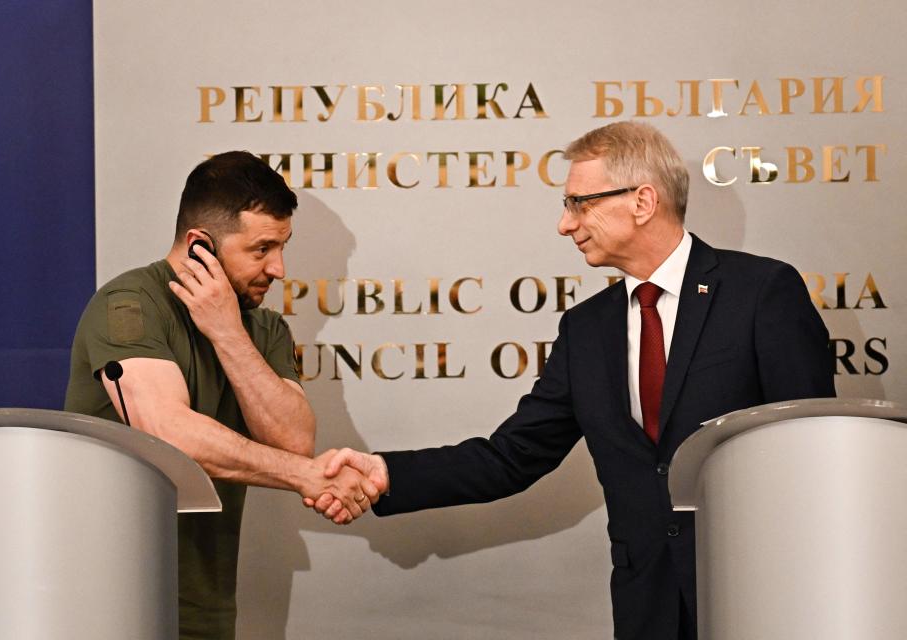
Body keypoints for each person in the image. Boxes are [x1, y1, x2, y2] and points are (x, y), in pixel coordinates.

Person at [311, 122, 836, 639]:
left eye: (578, 203)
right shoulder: (586, 328)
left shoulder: (761, 292)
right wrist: (384, 474)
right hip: (646, 606)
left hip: (758, 594)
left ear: (642, 201)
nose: (566, 224)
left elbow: (809, 454)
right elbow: (511, 457)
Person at [64, 151, 381, 640]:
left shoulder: (263, 328)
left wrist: (228, 333)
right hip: (109, 602)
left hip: (204, 603)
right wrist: (306, 478)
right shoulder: (127, 305)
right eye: (261, 249)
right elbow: (168, 435)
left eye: (282, 247)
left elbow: (293, 441)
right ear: (200, 248)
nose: (278, 268)